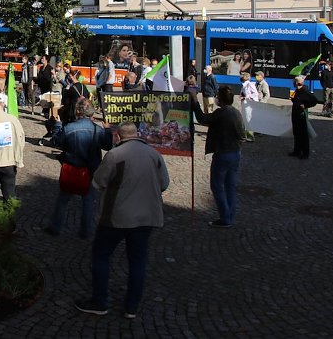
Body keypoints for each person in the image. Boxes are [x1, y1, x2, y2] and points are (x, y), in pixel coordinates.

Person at [75, 121, 169, 319]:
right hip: (146, 216)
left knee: (101, 256)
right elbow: (164, 184)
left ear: (117, 136)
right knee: (138, 261)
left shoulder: (115, 155)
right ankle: (132, 306)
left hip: (117, 216)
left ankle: (100, 301)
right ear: (136, 134)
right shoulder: (154, 154)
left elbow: (98, 182)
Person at [46, 98, 112, 239]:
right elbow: (107, 145)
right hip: (90, 170)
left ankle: (55, 227)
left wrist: (57, 125)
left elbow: (56, 142)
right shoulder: (98, 130)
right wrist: (107, 130)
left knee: (63, 200)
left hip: (71, 168)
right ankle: (86, 231)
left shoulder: (68, 128)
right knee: (88, 202)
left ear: (78, 111)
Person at [192, 86, 245, 227]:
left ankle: (225, 218)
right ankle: (230, 215)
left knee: (217, 186)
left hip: (223, 153)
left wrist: (195, 101)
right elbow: (242, 135)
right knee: (230, 186)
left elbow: (203, 118)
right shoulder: (236, 112)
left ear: (220, 99)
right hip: (235, 152)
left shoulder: (221, 113)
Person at [290, 75, 318, 158]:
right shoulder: (297, 91)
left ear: (297, 83)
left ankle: (305, 153)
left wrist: (305, 105)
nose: (294, 84)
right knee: (296, 133)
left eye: (294, 82)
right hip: (295, 114)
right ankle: (297, 151)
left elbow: (314, 100)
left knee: (303, 135)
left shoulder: (305, 91)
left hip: (301, 115)